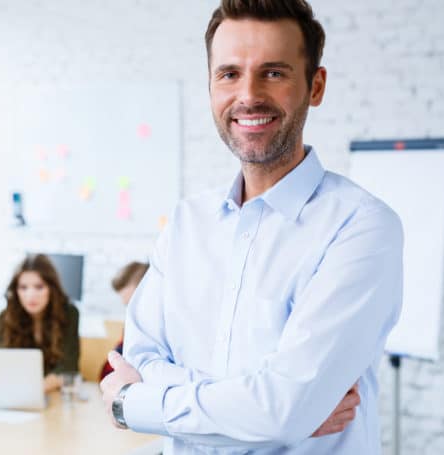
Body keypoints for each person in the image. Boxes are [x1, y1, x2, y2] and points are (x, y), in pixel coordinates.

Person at [100, 1, 403, 453]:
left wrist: (134, 403)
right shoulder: (185, 224)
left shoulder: (361, 228)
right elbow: (139, 361)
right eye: (229, 74)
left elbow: (283, 410)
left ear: (316, 86)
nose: (248, 95)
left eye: (274, 73)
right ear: (210, 86)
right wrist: (266, 412)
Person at [0, 254, 80, 392]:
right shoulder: (5, 317)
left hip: (54, 393)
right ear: (16, 291)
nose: (30, 295)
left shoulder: (69, 313)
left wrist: (34, 389)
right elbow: (4, 365)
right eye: (23, 287)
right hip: (18, 392)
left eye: (39, 287)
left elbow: (68, 367)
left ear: (51, 289)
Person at [99, 261, 148, 380]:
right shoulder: (131, 329)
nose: (132, 313)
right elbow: (107, 375)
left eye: (135, 305)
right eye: (128, 306)